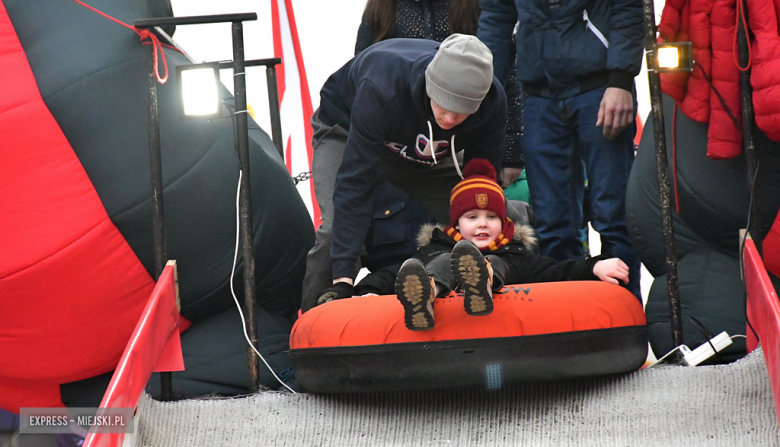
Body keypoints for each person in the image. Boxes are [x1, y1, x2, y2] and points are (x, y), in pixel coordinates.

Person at [301, 34, 508, 312]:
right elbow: (354, 183)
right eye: (444, 107)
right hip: (348, 132)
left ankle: (485, 305)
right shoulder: (382, 86)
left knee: (484, 219)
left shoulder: (493, 102)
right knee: (334, 232)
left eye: (460, 114)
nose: (448, 119)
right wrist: (343, 279)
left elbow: (481, 183)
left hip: (424, 149)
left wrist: (483, 226)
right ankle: (308, 322)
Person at [476, 0, 644, 299]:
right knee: (552, 223)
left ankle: (623, 321)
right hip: (538, 94)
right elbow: (496, 18)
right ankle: (570, 322)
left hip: (601, 84)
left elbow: (628, 7)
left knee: (614, 217)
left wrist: (621, 78)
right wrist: (487, 89)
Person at [353, 158, 629, 330]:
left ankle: (481, 280)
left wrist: (595, 266)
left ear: (504, 221)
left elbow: (558, 271)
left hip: (499, 317)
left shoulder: (516, 254)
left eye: (491, 217)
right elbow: (393, 272)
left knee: (496, 262)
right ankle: (425, 293)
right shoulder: (435, 248)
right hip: (446, 315)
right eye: (472, 217)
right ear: (457, 224)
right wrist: (368, 290)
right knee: (439, 262)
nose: (483, 224)